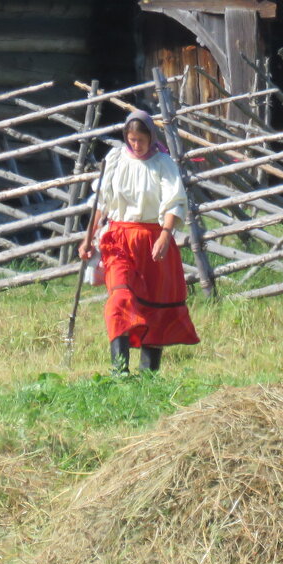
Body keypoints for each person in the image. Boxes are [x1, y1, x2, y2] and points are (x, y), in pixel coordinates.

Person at [78, 109, 199, 374]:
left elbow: (175, 202)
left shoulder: (163, 164)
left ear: (150, 137)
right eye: (131, 139)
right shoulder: (115, 159)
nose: (136, 144)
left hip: (152, 240)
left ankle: (148, 374)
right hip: (118, 239)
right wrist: (88, 238)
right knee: (119, 298)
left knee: (152, 307)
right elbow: (102, 202)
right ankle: (119, 370)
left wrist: (166, 235)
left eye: (140, 140)